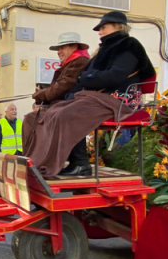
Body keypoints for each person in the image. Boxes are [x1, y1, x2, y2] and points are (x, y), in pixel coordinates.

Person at [24, 11, 155, 176]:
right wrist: (75, 92)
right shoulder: (103, 50)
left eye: (103, 28)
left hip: (120, 100)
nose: (100, 32)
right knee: (40, 115)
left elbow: (114, 77)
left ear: (118, 26)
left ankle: (80, 164)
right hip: (97, 97)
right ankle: (36, 159)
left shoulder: (129, 45)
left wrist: (88, 78)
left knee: (67, 114)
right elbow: (84, 80)